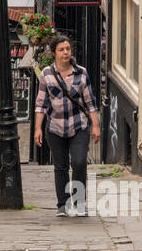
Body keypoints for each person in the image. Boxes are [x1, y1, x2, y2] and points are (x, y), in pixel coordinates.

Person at [33, 34, 100, 216]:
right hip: (55, 127)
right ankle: (63, 204)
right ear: (54, 52)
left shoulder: (81, 72)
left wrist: (95, 125)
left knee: (79, 163)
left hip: (79, 125)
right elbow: (41, 103)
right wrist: (38, 128)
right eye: (61, 50)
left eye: (68, 49)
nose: (65, 53)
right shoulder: (46, 74)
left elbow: (90, 102)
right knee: (60, 166)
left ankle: (79, 203)